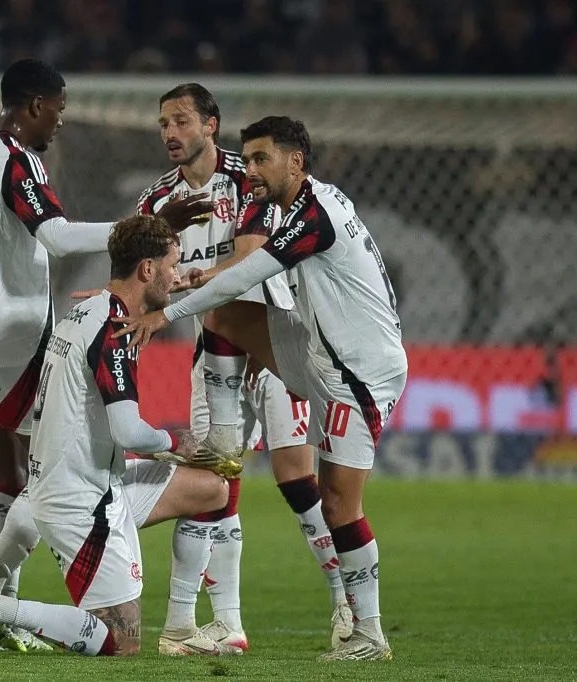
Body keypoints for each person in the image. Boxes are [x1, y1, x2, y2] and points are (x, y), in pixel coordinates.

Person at [0, 58, 211, 651]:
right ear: (34, 105)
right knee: (46, 476)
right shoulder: (15, 159)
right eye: (58, 109)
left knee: (7, 477)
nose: (60, 122)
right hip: (9, 344)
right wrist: (146, 222)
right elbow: (54, 237)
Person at [113, 116, 408, 661]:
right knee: (226, 316)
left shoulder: (313, 214)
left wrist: (165, 312)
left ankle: (368, 630)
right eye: (245, 159)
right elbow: (241, 279)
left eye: (260, 158)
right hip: (316, 350)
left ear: (295, 161)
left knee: (340, 501)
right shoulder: (298, 205)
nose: (249, 169)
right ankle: (226, 440)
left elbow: (249, 273)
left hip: (357, 374)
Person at [0, 214, 232, 657]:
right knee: (121, 640)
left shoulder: (88, 311)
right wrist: (177, 444)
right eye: (173, 265)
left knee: (212, 491)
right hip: (79, 500)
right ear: (147, 270)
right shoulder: (112, 331)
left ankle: (180, 627)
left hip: (83, 480)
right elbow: (128, 430)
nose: (177, 276)